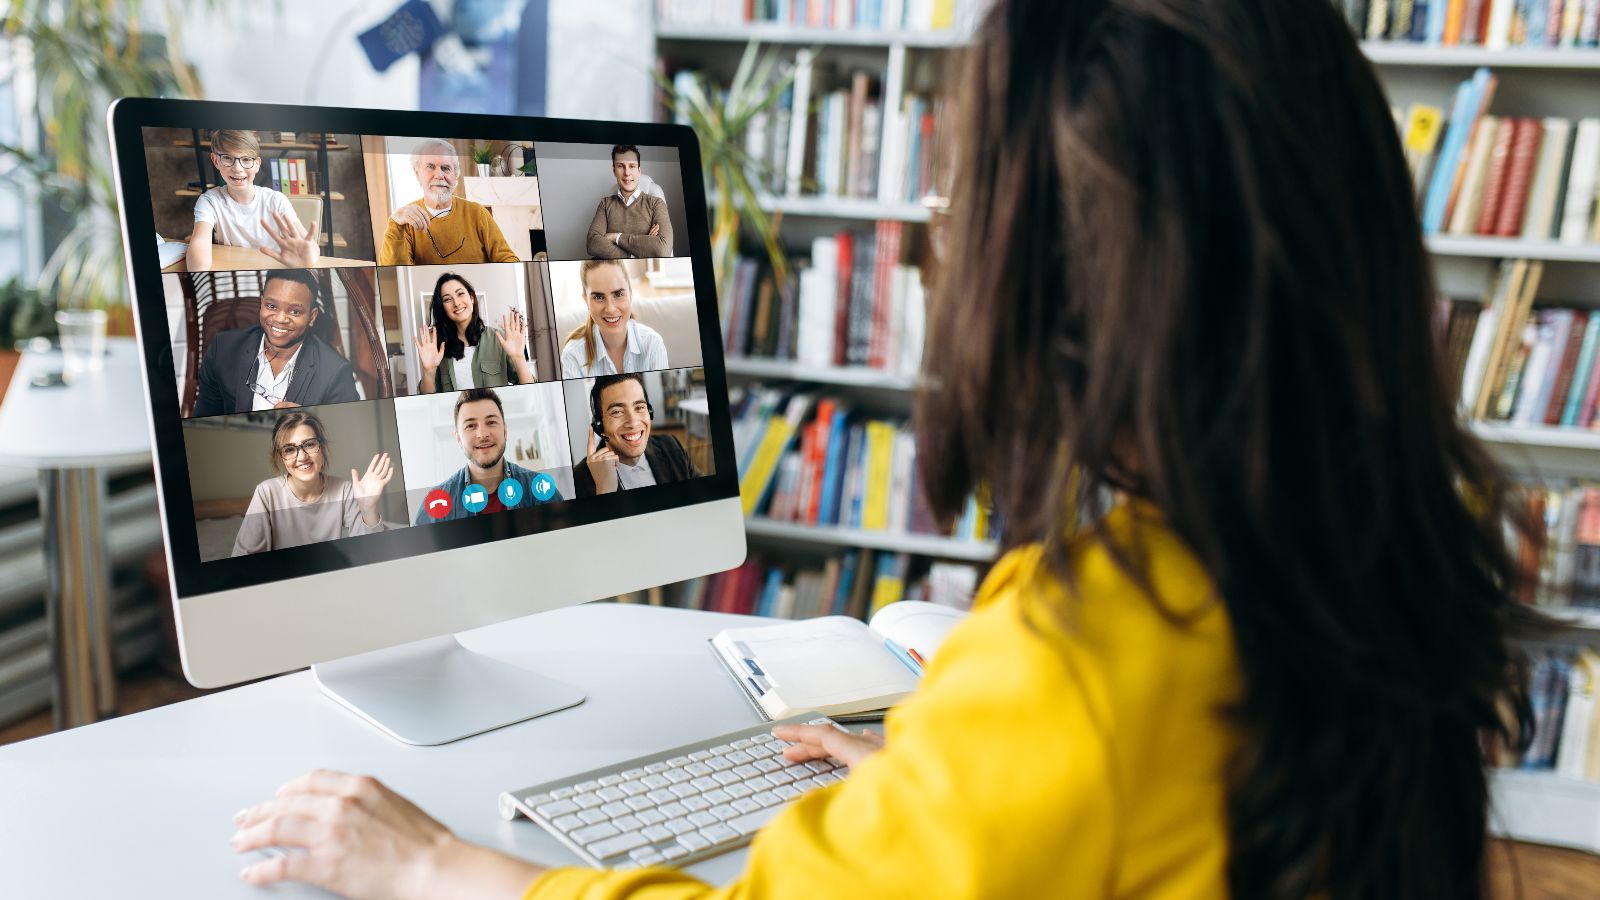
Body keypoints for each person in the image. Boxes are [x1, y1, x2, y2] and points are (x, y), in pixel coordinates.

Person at [229, 2, 1538, 898]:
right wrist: (960, 794)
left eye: (965, 198)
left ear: (1073, 278)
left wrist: (439, 868)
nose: (939, 235)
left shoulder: (1087, 656)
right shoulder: (1364, 550)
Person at [191, 269, 361, 416]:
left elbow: (347, 431)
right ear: (261, 304)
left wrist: (307, 419)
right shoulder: (223, 349)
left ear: (312, 317)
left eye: (295, 311)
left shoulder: (336, 372)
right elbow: (203, 418)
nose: (280, 319)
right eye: (271, 306)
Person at [231, 413, 395, 556]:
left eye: (309, 444)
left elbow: (371, 551)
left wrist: (368, 508)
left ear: (321, 447)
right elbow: (242, 557)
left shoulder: (344, 490)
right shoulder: (267, 493)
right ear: (281, 457)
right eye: (289, 449)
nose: (302, 457)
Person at [411, 388, 563, 524]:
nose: (483, 434)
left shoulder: (542, 491)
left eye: (491, 422)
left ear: (505, 431)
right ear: (458, 439)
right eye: (471, 425)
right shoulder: (435, 505)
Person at [183, 129, 322, 271]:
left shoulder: (276, 200)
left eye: (246, 159)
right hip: (233, 272)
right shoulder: (209, 201)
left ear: (257, 164)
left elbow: (308, 245)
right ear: (215, 160)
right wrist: (199, 274)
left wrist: (309, 257)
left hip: (271, 272)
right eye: (227, 158)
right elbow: (200, 242)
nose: (237, 168)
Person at [379, 138, 519, 266]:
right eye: (430, 167)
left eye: (446, 168)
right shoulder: (407, 222)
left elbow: (508, 260)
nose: (439, 175)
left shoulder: (477, 213)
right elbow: (393, 272)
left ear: (455, 175)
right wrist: (395, 223)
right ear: (417, 173)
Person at [574, 374, 700, 496]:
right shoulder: (578, 479)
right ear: (599, 425)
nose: (633, 423)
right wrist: (605, 490)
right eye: (617, 411)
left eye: (639, 407)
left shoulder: (671, 445)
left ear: (649, 412)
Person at [412, 271, 534, 393]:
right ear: (442, 308)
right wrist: (428, 372)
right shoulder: (439, 348)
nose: (456, 303)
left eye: (460, 294)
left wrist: (519, 358)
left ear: (472, 298)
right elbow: (428, 398)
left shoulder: (499, 339)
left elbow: (530, 391)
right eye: (447, 299)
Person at [559, 259, 668, 378]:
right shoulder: (573, 355)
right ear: (586, 300)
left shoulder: (653, 344)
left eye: (618, 294)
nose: (610, 309)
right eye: (599, 297)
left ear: (630, 294)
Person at [585, 144, 674, 259]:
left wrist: (616, 237)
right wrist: (639, 251)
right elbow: (592, 244)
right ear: (614, 171)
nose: (627, 173)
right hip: (612, 269)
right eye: (620, 166)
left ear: (639, 171)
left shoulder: (656, 203)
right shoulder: (605, 204)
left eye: (632, 166)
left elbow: (663, 250)